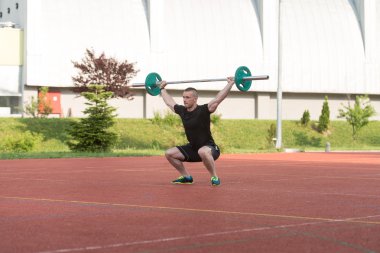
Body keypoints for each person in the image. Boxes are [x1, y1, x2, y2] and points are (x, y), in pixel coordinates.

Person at [159, 77, 235, 186]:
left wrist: (230, 84)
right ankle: (186, 177)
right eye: (183, 97)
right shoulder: (182, 111)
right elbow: (170, 103)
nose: (184, 100)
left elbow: (219, 98)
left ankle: (214, 177)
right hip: (193, 148)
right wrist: (162, 89)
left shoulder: (204, 110)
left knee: (203, 151)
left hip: (210, 149)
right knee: (169, 153)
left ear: (195, 99)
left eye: (188, 97)